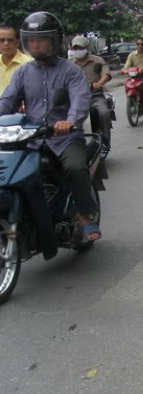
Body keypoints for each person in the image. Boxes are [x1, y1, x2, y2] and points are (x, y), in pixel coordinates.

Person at [0, 12, 100, 241]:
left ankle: (85, 216)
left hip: (65, 137)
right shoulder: (23, 72)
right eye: (32, 39)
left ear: (54, 40)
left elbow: (80, 100)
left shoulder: (70, 70)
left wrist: (70, 121)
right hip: (31, 138)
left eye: (41, 39)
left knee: (75, 167)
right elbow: (7, 101)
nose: (36, 44)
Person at [69, 35, 112, 151]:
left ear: (87, 47)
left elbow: (106, 74)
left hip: (95, 96)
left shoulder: (97, 60)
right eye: (75, 48)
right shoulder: (69, 64)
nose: (78, 50)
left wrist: (100, 83)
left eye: (80, 47)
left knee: (104, 113)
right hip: (76, 99)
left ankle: (106, 140)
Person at [122, 37, 143, 112]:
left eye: (142, 44)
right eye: (138, 44)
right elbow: (127, 66)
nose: (140, 46)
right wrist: (123, 71)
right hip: (134, 76)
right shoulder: (131, 55)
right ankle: (132, 101)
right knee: (127, 83)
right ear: (136, 45)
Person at [0, 23, 33, 96]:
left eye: (10, 40)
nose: (6, 43)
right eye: (2, 40)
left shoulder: (30, 64)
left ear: (18, 42)